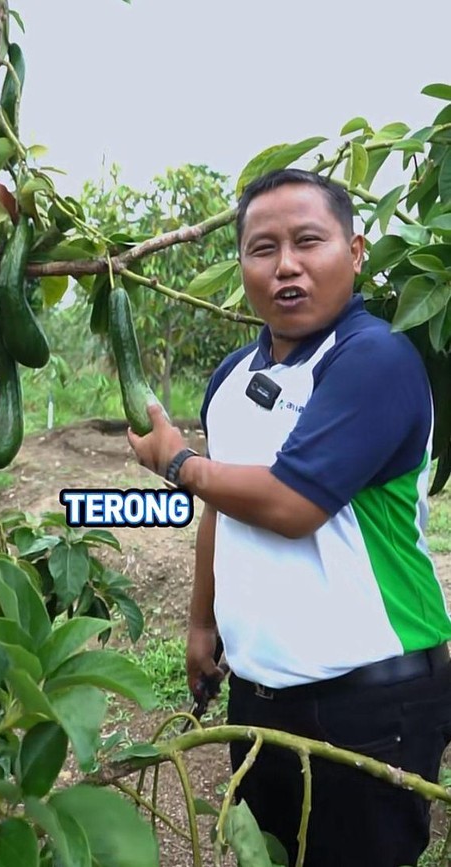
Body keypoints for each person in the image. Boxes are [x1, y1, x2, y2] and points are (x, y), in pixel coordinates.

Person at [127, 168, 451, 867]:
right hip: (261, 693)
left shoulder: (376, 360)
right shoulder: (231, 376)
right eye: (262, 248)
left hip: (372, 701)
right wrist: (200, 622)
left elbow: (291, 504)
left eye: (309, 241)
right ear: (241, 263)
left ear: (356, 250)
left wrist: (179, 463)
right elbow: (225, 503)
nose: (286, 266)